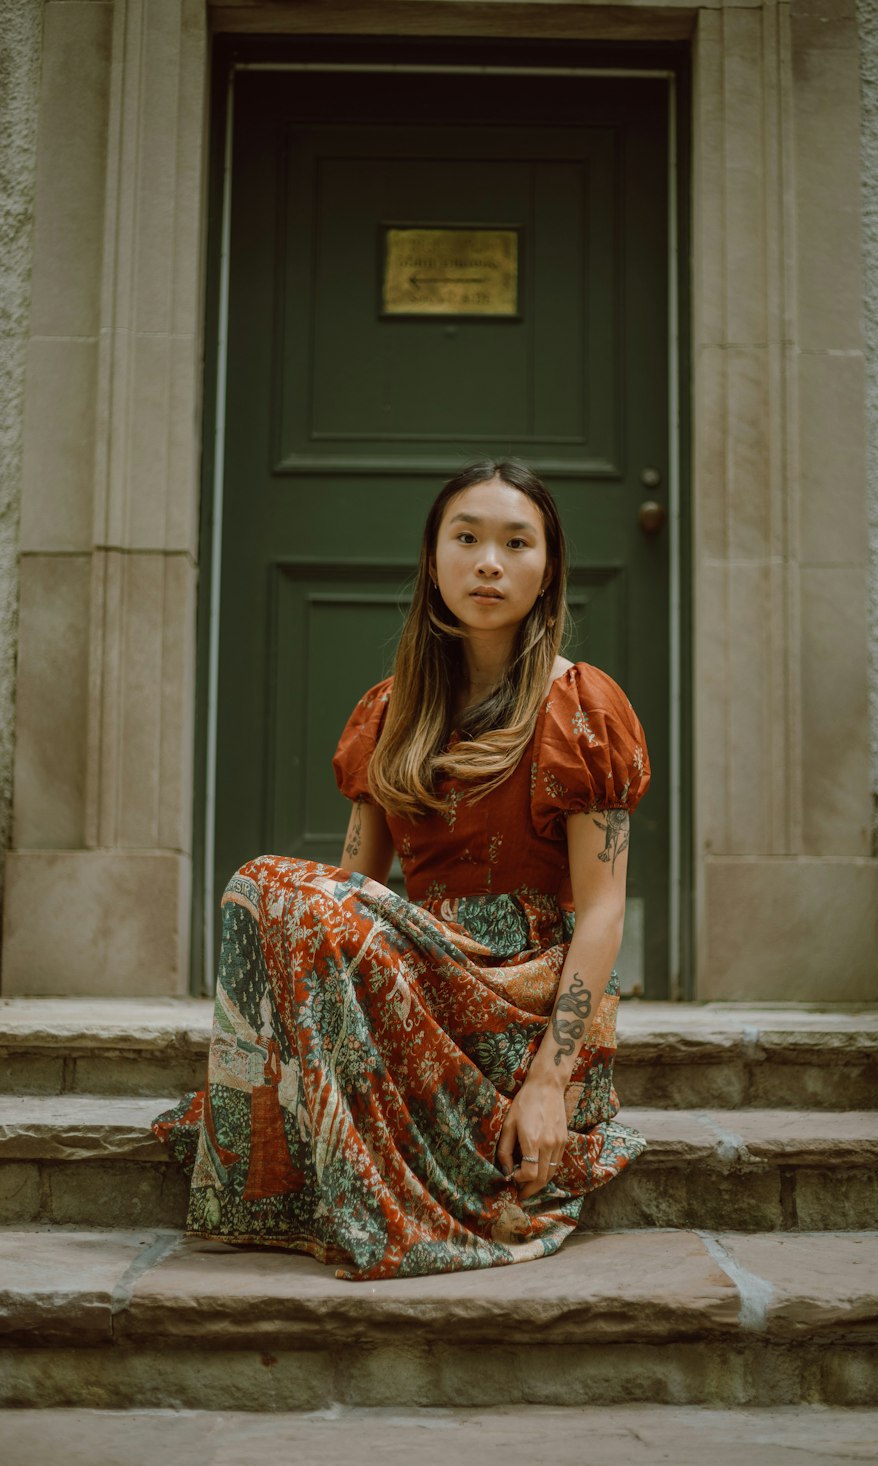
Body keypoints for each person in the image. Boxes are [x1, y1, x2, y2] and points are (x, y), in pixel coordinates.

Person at [153, 459, 651, 1280]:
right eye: (468, 538)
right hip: (419, 975)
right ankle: (269, 1175)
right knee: (267, 891)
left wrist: (549, 1084)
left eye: (515, 542)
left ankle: (350, 1177)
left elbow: (602, 913)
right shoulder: (391, 711)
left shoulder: (584, 707)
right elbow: (352, 895)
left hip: (520, 991)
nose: (489, 561)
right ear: (433, 560)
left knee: (276, 886)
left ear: (548, 567)